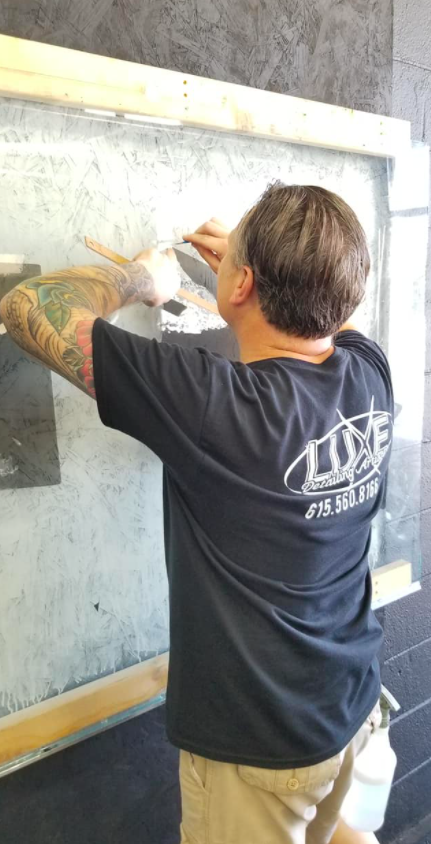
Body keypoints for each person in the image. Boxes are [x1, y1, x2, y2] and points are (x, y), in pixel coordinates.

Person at [0, 184, 393, 844]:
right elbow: (331, 318)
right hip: (348, 708)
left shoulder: (218, 406)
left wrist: (137, 278)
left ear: (238, 284)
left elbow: (27, 304)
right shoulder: (368, 373)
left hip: (259, 751)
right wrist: (252, 272)